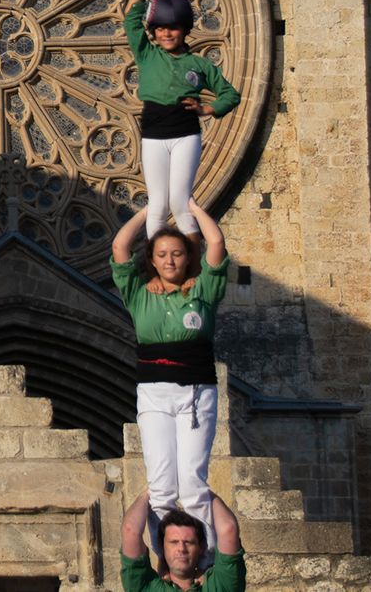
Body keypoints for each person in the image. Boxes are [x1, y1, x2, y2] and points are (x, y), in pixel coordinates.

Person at [111, 200, 229, 556]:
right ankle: (165, 557)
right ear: (151, 259)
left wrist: (187, 205)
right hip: (154, 394)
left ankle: (203, 557)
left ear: (187, 257)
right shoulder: (139, 294)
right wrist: (151, 210)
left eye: (177, 254)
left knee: (193, 483)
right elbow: (119, 246)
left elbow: (217, 243)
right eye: (161, 254)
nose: (170, 261)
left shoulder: (202, 291)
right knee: (161, 486)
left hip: (196, 393)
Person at [123, 0, 239, 239]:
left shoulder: (199, 65)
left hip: (185, 132)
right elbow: (131, 16)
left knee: (180, 201)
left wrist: (208, 109)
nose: (166, 33)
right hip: (153, 131)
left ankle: (195, 260)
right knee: (158, 205)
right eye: (161, 28)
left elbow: (230, 94)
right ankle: (156, 263)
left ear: (185, 30)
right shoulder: (147, 55)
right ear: (153, 31)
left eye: (173, 28)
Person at [120, 488, 245, 592]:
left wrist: (198, 488)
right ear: (162, 547)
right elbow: (130, 531)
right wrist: (152, 490)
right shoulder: (148, 587)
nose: (181, 549)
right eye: (174, 542)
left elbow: (229, 529)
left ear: (201, 547)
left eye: (189, 542)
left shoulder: (218, 586)